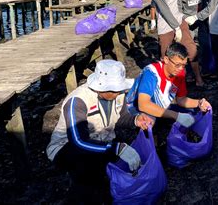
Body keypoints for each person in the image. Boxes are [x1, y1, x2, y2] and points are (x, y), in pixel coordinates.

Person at [46, 60, 153, 201]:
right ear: (103, 87)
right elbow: (78, 141)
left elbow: (120, 117)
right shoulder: (77, 100)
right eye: (116, 89)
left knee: (120, 166)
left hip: (101, 140)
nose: (119, 92)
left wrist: (135, 120)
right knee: (87, 172)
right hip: (66, 147)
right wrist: (117, 148)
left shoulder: (118, 94)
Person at [130, 42, 212, 126]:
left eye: (183, 65)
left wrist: (199, 103)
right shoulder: (151, 73)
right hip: (137, 109)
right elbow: (143, 105)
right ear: (166, 59)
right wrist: (175, 116)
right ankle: (152, 137)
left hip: (161, 107)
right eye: (177, 65)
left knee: (192, 113)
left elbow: (181, 100)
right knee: (148, 121)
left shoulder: (180, 74)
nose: (180, 69)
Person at [151, 0, 201, 84]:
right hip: (166, 28)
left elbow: (176, 9)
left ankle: (198, 78)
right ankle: (164, 83)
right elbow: (165, 11)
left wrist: (185, 18)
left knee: (192, 49)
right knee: (166, 56)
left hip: (179, 23)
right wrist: (175, 27)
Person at [177, 0, 207, 87]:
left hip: (200, 21)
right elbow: (178, 10)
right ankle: (190, 73)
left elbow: (205, 5)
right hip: (188, 23)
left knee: (204, 45)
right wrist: (185, 18)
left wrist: (200, 17)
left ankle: (202, 69)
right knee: (189, 49)